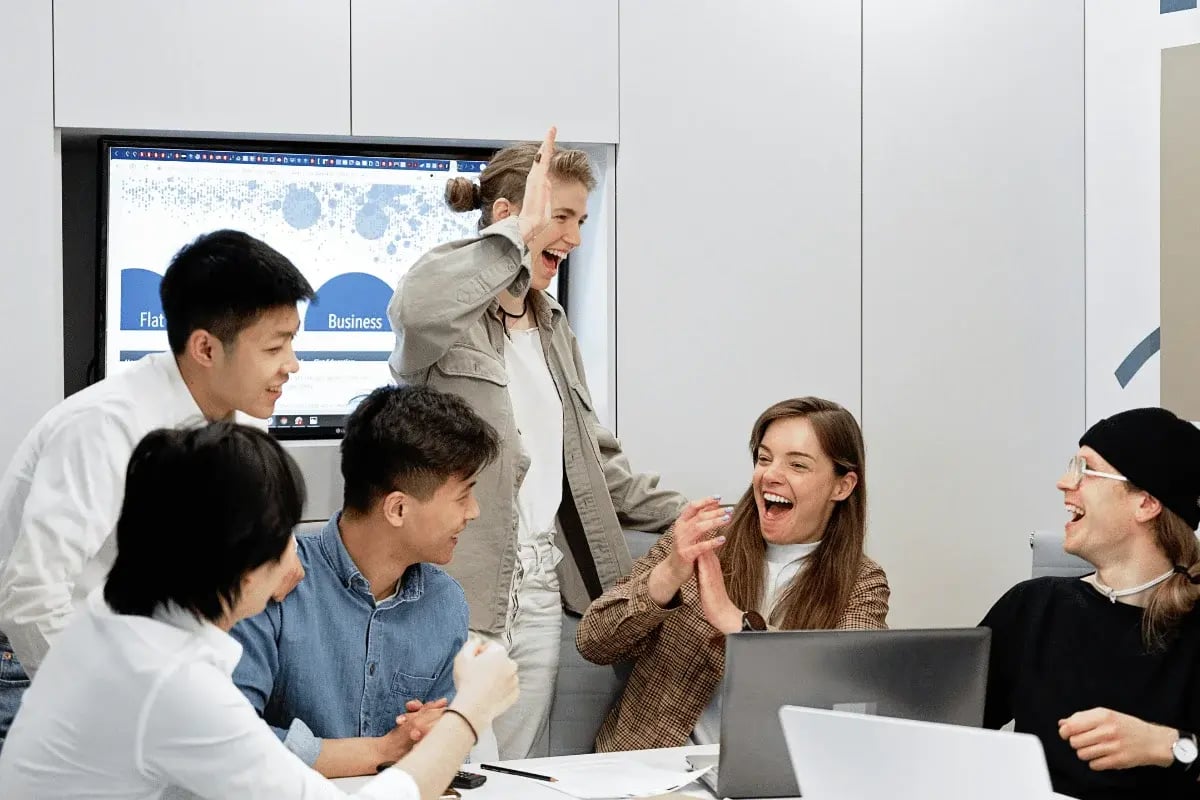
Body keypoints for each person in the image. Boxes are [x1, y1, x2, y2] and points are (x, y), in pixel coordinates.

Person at [0, 422, 518, 799]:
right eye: (284, 531)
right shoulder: (172, 685)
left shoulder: (120, 627)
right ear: (242, 559)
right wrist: (470, 711)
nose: (299, 549)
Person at [387, 127, 685, 759]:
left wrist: (696, 516)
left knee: (516, 769)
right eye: (561, 217)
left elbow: (597, 464)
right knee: (455, 765)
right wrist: (511, 237)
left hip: (543, 588)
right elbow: (414, 311)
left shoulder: (554, 327)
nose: (574, 238)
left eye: (581, 220)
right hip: (461, 587)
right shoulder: (447, 323)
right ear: (508, 215)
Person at [0, 229, 313, 748]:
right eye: (275, 347)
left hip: (151, 661)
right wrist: (108, 713)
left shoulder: (242, 421)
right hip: (38, 664)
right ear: (205, 347)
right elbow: (31, 599)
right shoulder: (104, 427)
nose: (292, 364)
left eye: (292, 342)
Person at [577, 397, 890, 751]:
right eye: (764, 459)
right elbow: (593, 642)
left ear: (842, 486)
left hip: (774, 771)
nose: (770, 475)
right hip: (650, 766)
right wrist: (669, 573)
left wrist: (735, 623)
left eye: (798, 465)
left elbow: (851, 688)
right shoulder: (704, 537)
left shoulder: (862, 582)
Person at [231, 384, 501, 777]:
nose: (473, 512)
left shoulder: (445, 604)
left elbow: (445, 749)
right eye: (462, 497)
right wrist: (382, 751)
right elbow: (232, 742)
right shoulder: (275, 583)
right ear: (397, 509)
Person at [981, 407, 1200, 800]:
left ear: (1146, 503)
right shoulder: (1033, 608)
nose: (1065, 482)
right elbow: (947, 728)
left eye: (1086, 469)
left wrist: (1164, 744)